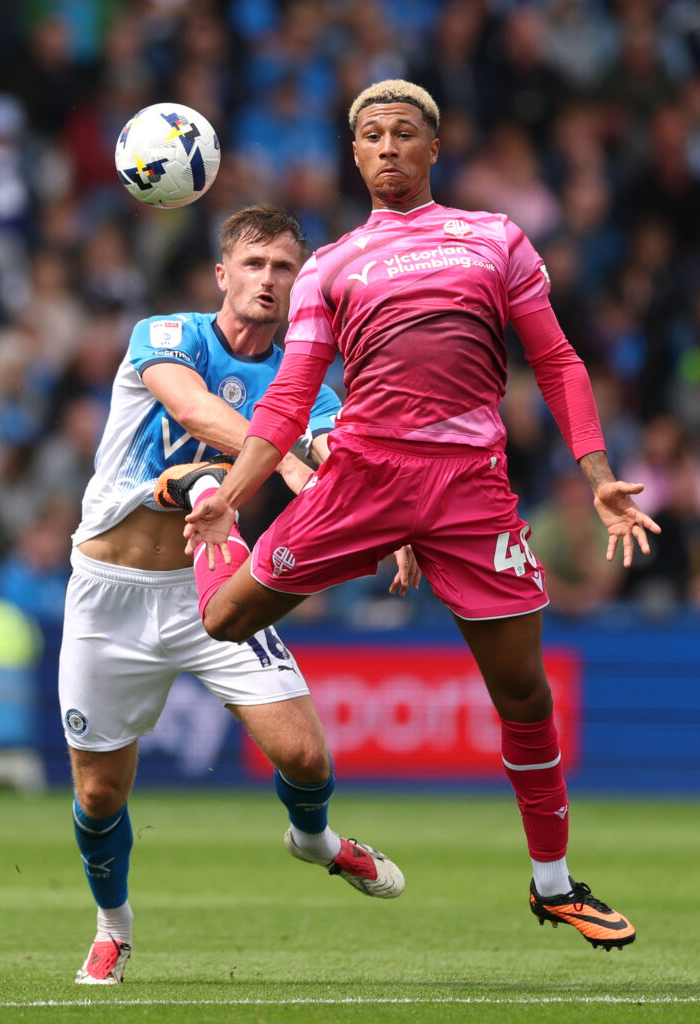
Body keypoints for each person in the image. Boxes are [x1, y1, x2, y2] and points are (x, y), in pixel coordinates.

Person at [167, 81, 662, 953]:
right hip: (359, 479)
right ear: (354, 156)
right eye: (370, 135)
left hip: (470, 487)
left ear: (433, 148)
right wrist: (228, 500)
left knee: (522, 692)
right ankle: (204, 501)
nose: (387, 146)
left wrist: (596, 473)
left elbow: (555, 358)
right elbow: (287, 400)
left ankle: (553, 885)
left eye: (403, 133)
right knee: (221, 616)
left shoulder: (492, 238)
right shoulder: (328, 266)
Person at [58, 205, 407, 987]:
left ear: (299, 284)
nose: (268, 280)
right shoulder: (166, 334)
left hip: (205, 586)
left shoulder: (306, 379)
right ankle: (113, 925)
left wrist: (395, 518)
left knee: (306, 756)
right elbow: (188, 408)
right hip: (107, 594)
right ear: (223, 273)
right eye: (254, 264)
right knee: (98, 790)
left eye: (284, 269)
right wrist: (279, 458)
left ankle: (314, 842)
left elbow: (336, 450)